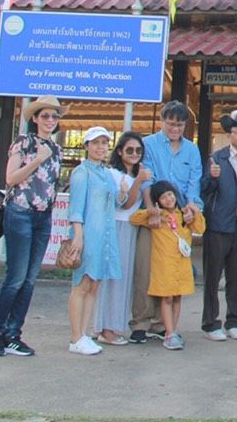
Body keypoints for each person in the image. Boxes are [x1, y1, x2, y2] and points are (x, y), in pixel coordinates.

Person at [0, 96, 65, 358]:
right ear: (35, 118)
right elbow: (10, 178)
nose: (50, 120)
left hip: (44, 216)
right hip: (20, 212)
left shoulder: (57, 149)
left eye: (54, 116)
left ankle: (13, 334)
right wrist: (37, 160)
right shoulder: (24, 143)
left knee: (30, 280)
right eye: (45, 116)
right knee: (16, 277)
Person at [130, 101, 202, 344]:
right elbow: (147, 180)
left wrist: (191, 209)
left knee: (172, 272)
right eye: (170, 124)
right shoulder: (149, 144)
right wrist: (151, 209)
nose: (175, 129)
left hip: (178, 219)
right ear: (162, 122)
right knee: (146, 270)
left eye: (179, 125)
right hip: (154, 216)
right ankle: (141, 322)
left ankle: (162, 325)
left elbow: (193, 184)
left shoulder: (192, 150)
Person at [200, 109, 237, 341]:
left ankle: (234, 321)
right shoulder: (217, 159)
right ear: (229, 134)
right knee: (213, 276)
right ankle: (210, 323)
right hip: (217, 224)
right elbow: (203, 191)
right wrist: (211, 177)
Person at [131, 181, 207, 350]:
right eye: (163, 197)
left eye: (170, 194)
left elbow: (200, 228)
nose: (168, 199)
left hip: (181, 265)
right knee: (167, 298)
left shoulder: (184, 215)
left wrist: (194, 212)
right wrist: (152, 212)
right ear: (158, 201)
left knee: (177, 297)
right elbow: (134, 219)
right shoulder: (158, 217)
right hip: (164, 266)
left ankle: (171, 331)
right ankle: (170, 334)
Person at [66, 127, 122, 355]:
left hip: (105, 236)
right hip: (88, 234)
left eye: (104, 143)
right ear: (87, 146)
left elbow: (114, 202)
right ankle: (75, 336)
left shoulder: (106, 174)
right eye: (96, 143)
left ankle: (84, 333)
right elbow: (76, 208)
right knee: (82, 284)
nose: (100, 147)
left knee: (94, 285)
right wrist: (78, 236)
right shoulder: (82, 173)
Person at [93, 131, 151, 345]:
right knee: (113, 280)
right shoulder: (113, 174)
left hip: (130, 227)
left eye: (138, 150)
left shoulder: (136, 174)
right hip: (116, 227)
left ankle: (110, 326)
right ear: (119, 151)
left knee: (123, 279)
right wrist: (139, 181)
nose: (134, 154)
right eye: (130, 150)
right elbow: (125, 204)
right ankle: (107, 329)